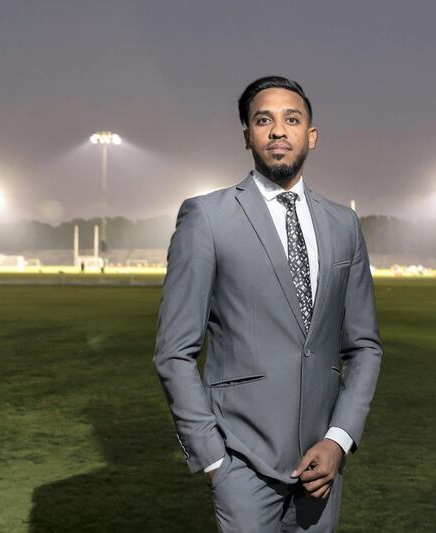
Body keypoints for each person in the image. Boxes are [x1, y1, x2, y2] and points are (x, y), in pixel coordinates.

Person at [153, 76, 382, 532]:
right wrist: (214, 459)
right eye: (264, 120)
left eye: (291, 119)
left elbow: (364, 348)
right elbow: (174, 352)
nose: (278, 131)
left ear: (311, 136)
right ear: (247, 137)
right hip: (241, 466)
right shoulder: (207, 217)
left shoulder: (343, 225)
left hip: (322, 468)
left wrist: (338, 440)